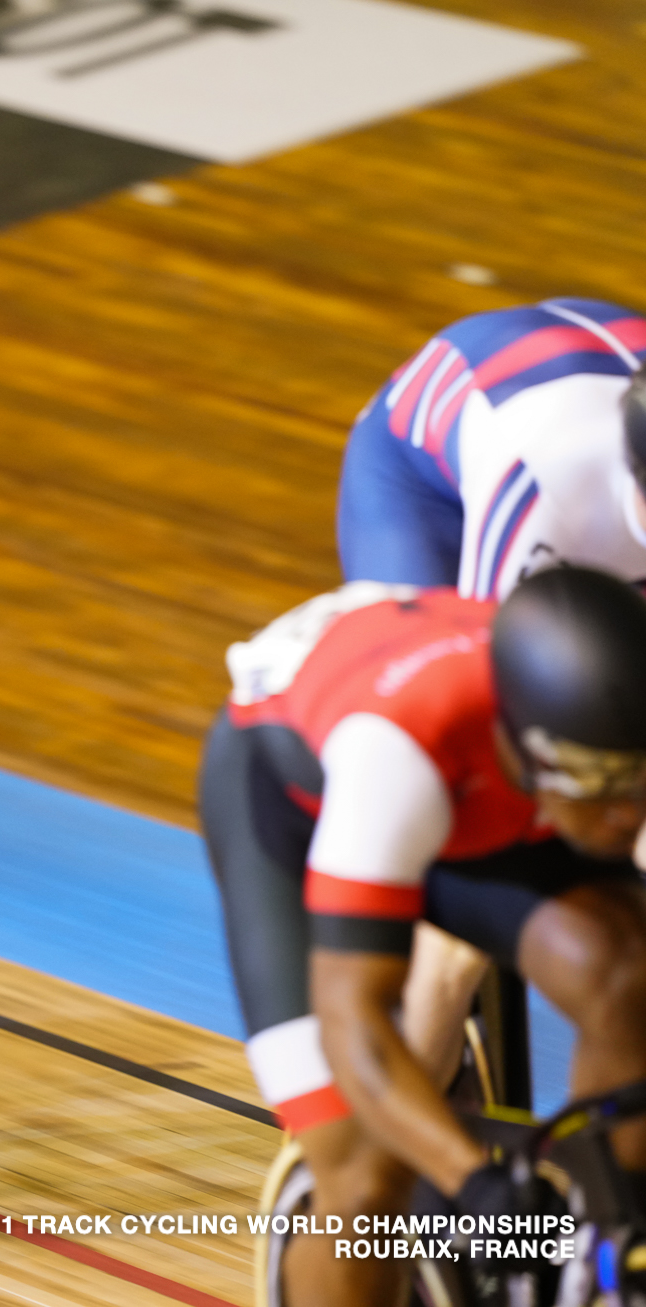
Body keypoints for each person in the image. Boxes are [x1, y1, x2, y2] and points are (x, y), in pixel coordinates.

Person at [199, 567, 646, 1306]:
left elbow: (606, 815)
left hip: (480, 797)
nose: (628, 815)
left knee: (625, 969)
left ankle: (605, 1258)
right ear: (533, 751)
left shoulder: (593, 738)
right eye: (607, 788)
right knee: (366, 1174)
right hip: (294, 809)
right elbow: (356, 1022)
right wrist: (470, 1177)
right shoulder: (394, 753)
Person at [336, 296, 646, 1087]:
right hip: (422, 489)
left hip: (573, 422)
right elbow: (484, 707)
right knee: (467, 807)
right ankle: (396, 1103)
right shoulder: (549, 484)